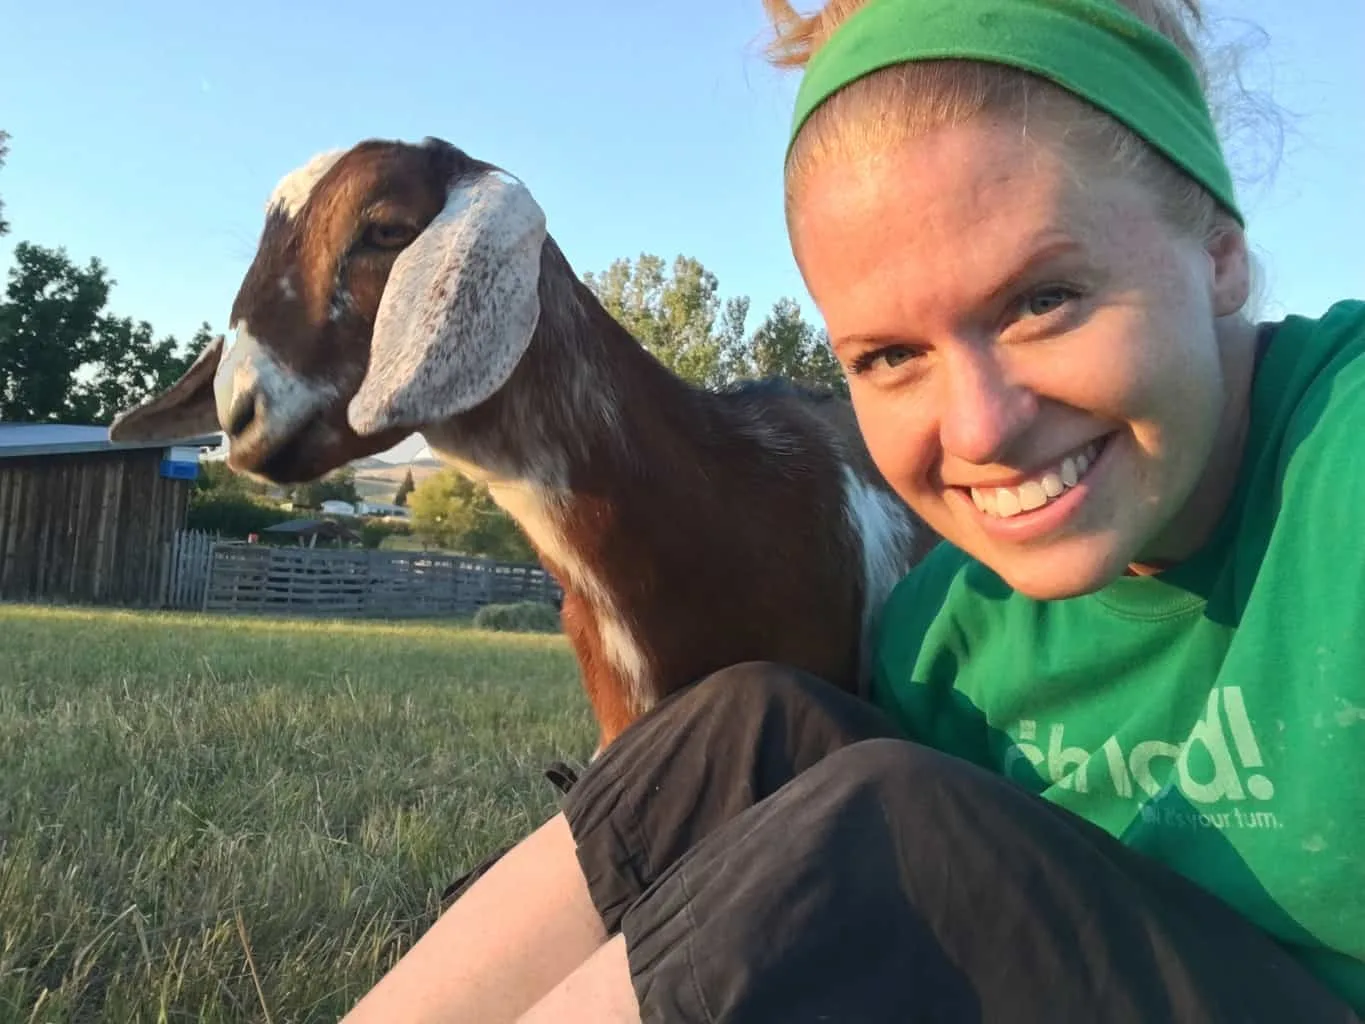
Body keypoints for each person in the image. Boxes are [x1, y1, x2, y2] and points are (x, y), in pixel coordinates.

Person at [342, 0, 1365, 1019]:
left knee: (881, 838)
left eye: (1042, 300)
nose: (978, 429)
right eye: (890, 357)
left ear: (1219, 247)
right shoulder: (948, 634)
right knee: (749, 735)